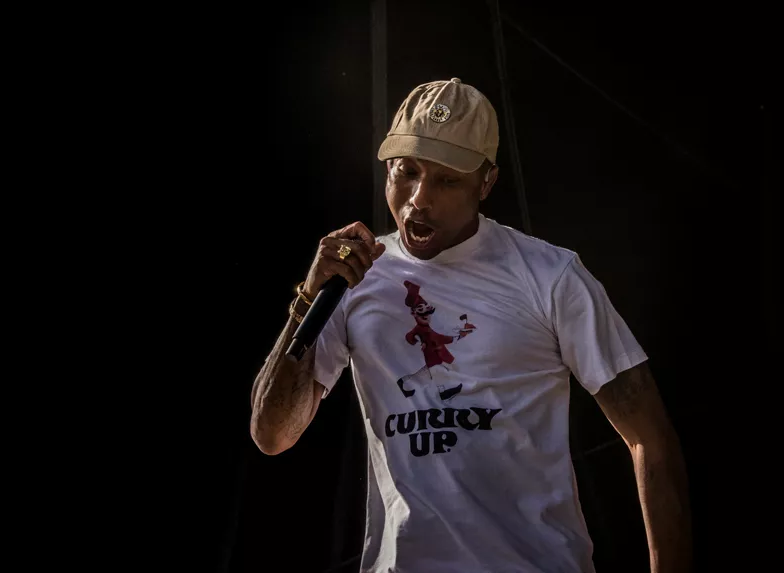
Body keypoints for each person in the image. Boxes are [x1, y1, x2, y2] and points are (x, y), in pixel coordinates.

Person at [250, 77, 691, 573]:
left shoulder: (550, 275)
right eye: (407, 172)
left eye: (447, 181)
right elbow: (273, 434)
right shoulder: (356, 279)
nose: (419, 199)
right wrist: (309, 298)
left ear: (486, 182)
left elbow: (650, 437)